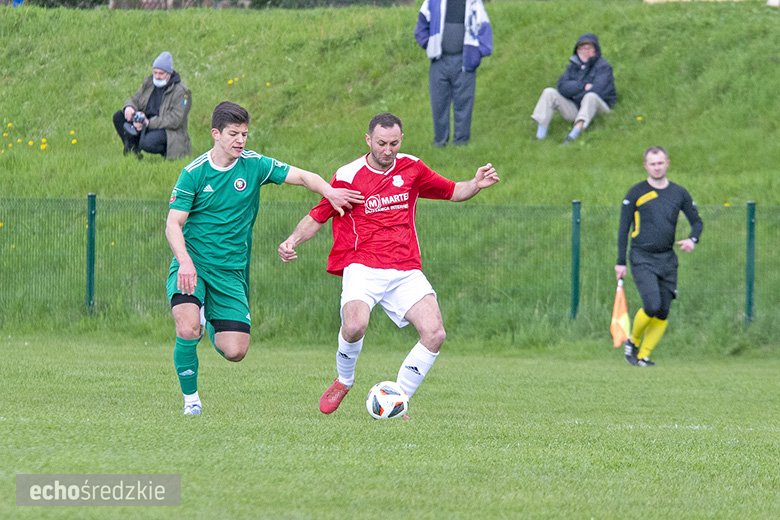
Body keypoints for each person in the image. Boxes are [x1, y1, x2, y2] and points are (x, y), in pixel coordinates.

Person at [278, 113, 499, 415]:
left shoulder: (412, 168)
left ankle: (399, 398)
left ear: (401, 140)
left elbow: (452, 191)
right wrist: (292, 240)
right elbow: (319, 215)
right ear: (368, 140)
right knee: (354, 325)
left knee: (435, 333)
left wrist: (475, 183)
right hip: (363, 265)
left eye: (394, 143)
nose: (387, 150)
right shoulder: (349, 175)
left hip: (405, 268)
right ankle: (344, 380)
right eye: (381, 143)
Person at [165, 101, 363, 415]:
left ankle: (210, 318)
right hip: (194, 266)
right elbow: (173, 223)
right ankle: (192, 402)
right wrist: (185, 262)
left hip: (231, 273)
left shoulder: (254, 165)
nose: (240, 140)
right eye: (233, 134)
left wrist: (330, 192)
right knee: (187, 329)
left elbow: (302, 176)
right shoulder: (194, 173)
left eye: (244, 134)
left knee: (236, 352)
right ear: (216, 134)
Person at [615, 146, 703, 367]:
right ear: (646, 165)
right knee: (652, 305)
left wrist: (693, 239)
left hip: (667, 259)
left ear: (668, 164)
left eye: (660, 163)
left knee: (663, 310)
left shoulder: (679, 193)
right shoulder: (635, 193)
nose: (657, 167)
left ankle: (644, 356)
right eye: (652, 163)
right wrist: (620, 262)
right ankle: (632, 340)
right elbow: (623, 228)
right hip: (641, 256)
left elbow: (697, 221)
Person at [414, 0, 492, 148]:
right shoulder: (432, 2)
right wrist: (430, 45)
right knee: (438, 103)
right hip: (439, 60)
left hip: (464, 61)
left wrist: (475, 53)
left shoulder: (474, 3)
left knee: (464, 104)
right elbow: (420, 28)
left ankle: (461, 143)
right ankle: (440, 142)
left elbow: (485, 30)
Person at [531, 33, 617, 144]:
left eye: (589, 47)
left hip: (599, 108)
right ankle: (540, 136)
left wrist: (575, 94)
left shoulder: (603, 67)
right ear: (577, 51)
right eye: (582, 48)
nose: (586, 51)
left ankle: (573, 135)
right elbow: (562, 86)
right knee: (549, 92)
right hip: (576, 107)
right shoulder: (573, 66)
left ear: (596, 50)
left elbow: (599, 91)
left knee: (590, 96)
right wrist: (582, 86)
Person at [113, 51, 192, 160]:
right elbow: (136, 98)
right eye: (155, 72)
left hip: (167, 131)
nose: (157, 76)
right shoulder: (149, 83)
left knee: (148, 143)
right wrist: (129, 107)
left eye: (161, 73)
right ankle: (133, 150)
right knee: (118, 117)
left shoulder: (181, 92)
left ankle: (166, 152)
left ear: (169, 74)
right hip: (145, 123)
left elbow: (175, 120)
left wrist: (148, 123)